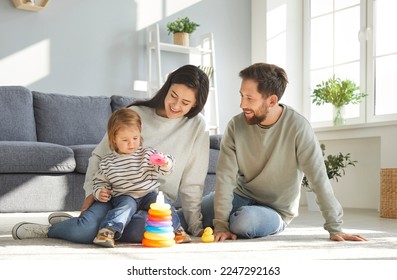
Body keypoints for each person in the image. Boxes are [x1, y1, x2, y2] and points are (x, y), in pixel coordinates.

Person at [12, 64, 210, 244]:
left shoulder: (197, 126)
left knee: (148, 229)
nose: (176, 105)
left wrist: (196, 227)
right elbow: (99, 156)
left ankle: (83, 223)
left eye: (185, 102)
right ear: (167, 88)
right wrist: (91, 192)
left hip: (153, 200)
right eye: (173, 95)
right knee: (87, 231)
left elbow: (193, 182)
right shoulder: (136, 114)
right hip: (116, 196)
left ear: (195, 105)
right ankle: (53, 230)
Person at [203, 62, 367, 242]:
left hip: (275, 210)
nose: (242, 104)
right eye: (241, 96)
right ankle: (227, 217)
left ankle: (260, 222)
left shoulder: (298, 127)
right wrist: (220, 224)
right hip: (240, 196)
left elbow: (318, 177)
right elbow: (225, 177)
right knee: (188, 217)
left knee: (243, 223)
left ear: (272, 101)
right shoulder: (236, 125)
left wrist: (335, 227)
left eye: (250, 98)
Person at [91, 108, 180, 247]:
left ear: (140, 134)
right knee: (126, 206)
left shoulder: (147, 154)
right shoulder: (107, 162)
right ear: (114, 138)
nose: (131, 143)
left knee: (162, 203)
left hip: (148, 194)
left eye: (135, 138)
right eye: (125, 140)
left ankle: (176, 229)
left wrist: (165, 162)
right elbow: (99, 182)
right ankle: (107, 231)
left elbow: (166, 168)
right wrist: (99, 192)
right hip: (124, 195)